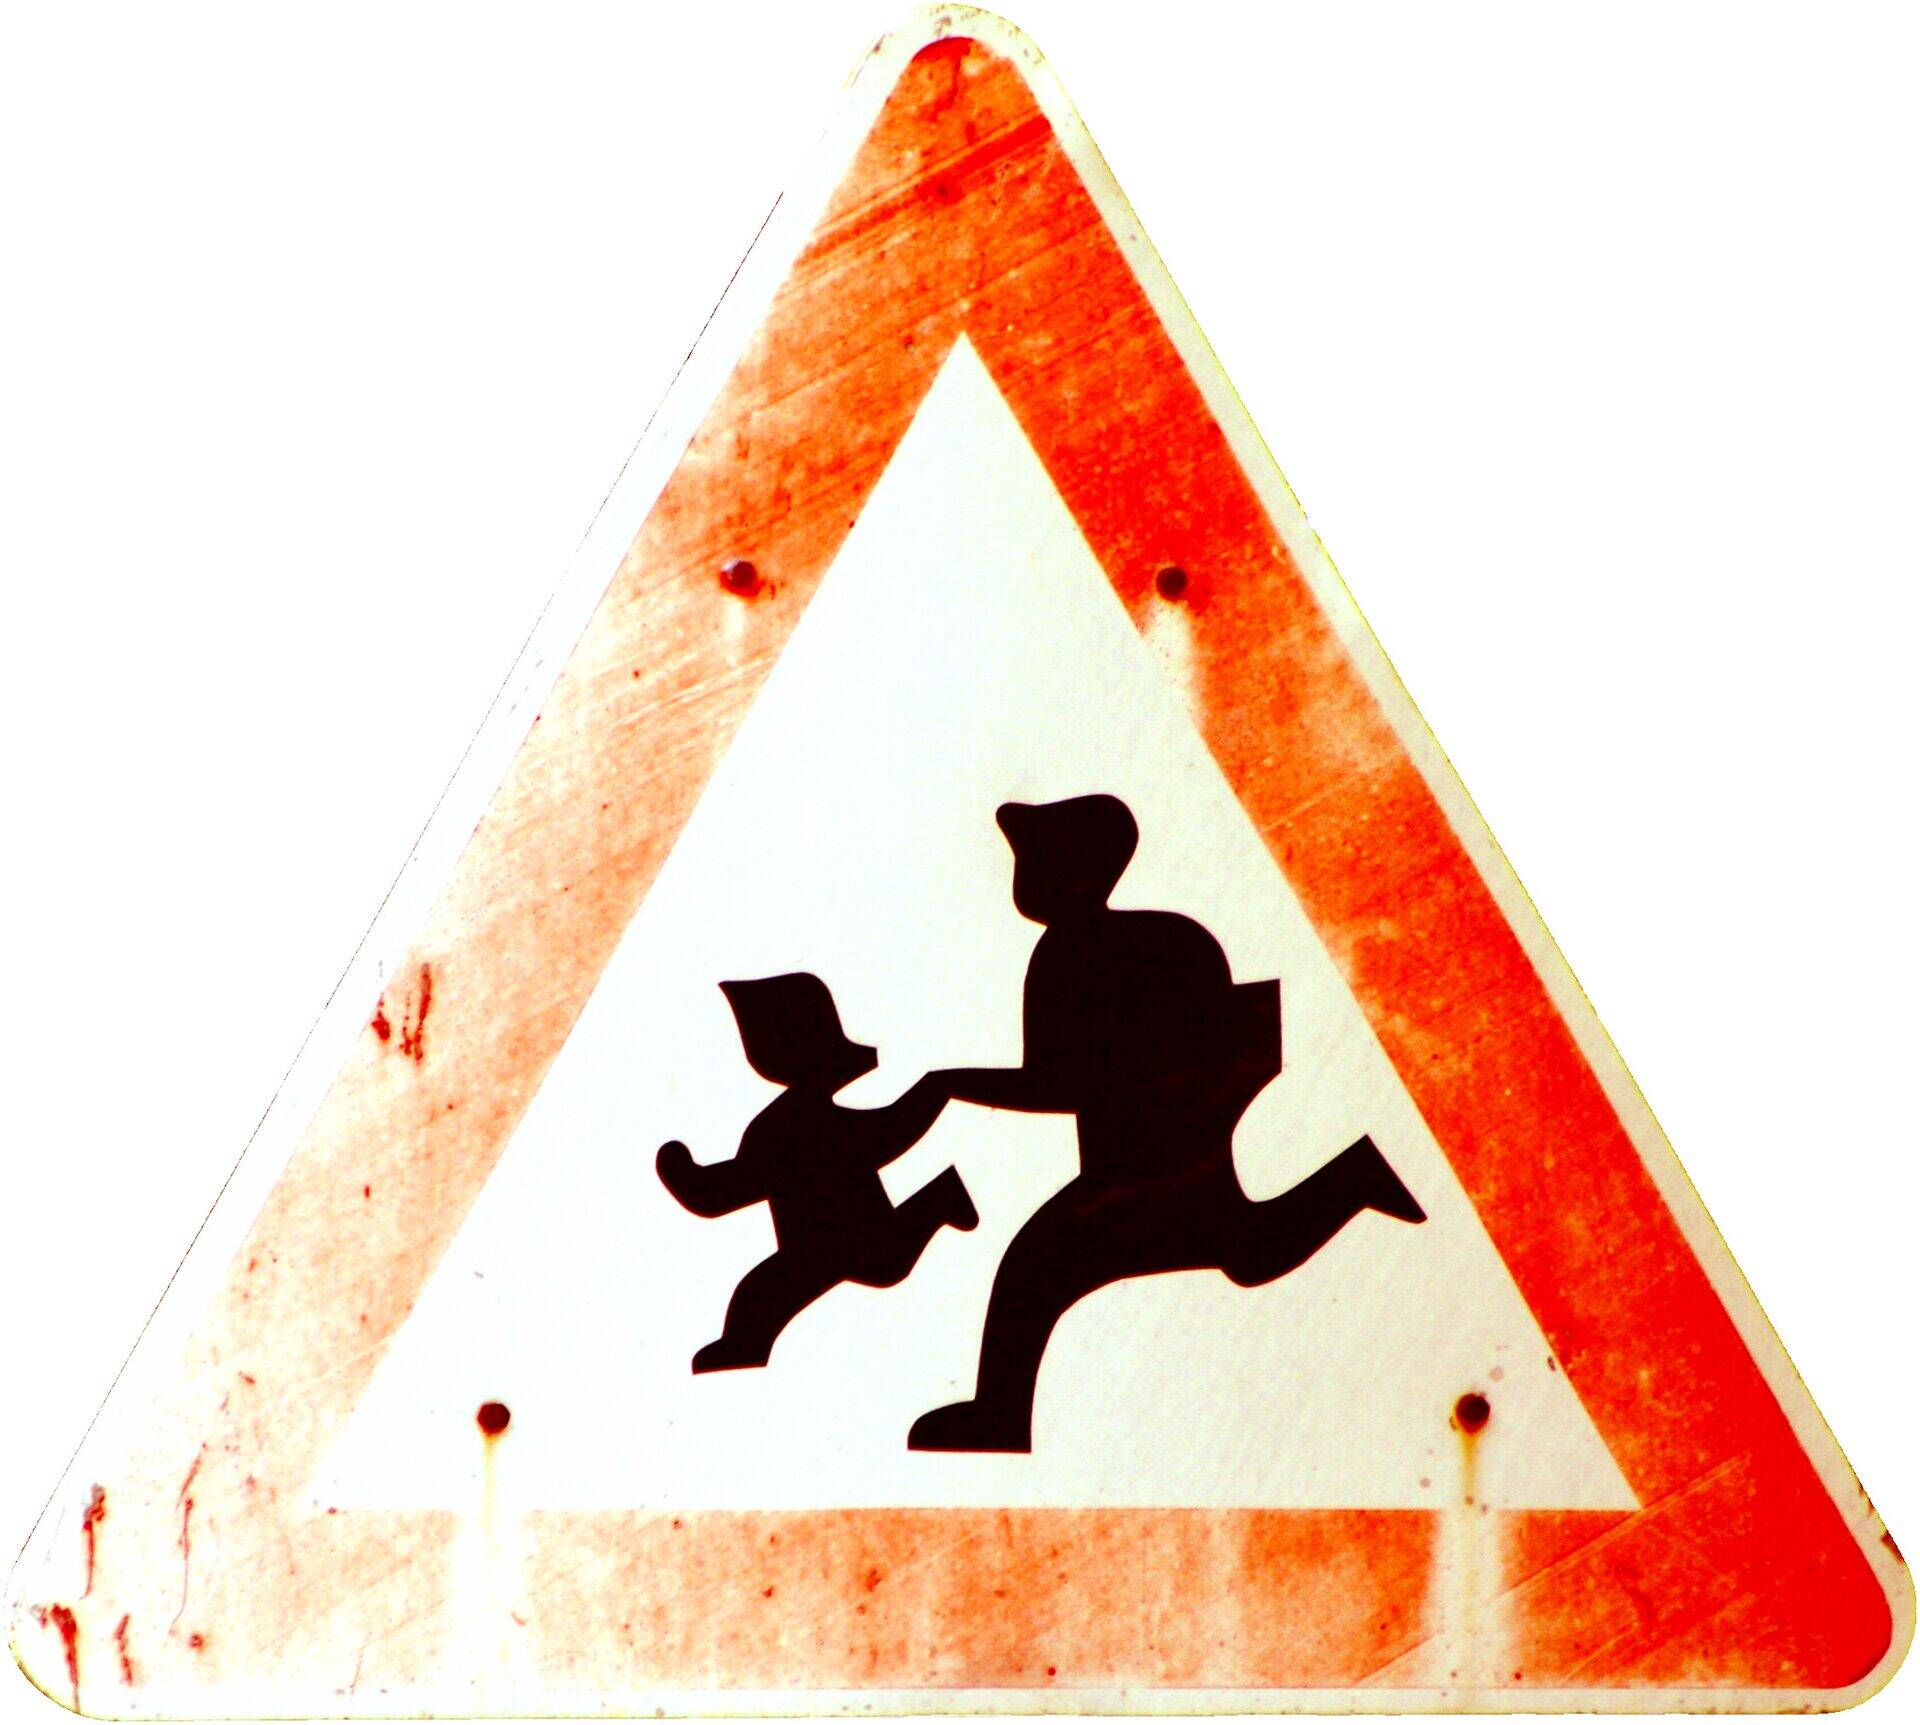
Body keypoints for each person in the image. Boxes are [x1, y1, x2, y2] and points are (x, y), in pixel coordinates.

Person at [909, 795, 1425, 1452]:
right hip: (1189, 1155)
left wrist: (952, 1083)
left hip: (1131, 1178)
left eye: (1031, 862)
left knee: (1031, 1272)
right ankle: (1356, 1178)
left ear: (1075, 871)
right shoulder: (1171, 936)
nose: (1021, 878)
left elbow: (1061, 1084)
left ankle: (998, 1416)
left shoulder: (1068, 954)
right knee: (1244, 1248)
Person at [657, 973, 977, 1373]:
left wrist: (931, 1092)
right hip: (810, 1248)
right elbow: (736, 1185)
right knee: (763, 1292)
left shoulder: (795, 1124)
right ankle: (744, 1344)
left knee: (882, 1262)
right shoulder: (777, 1126)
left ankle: (942, 1198)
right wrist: (693, 1182)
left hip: (858, 1236)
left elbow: (888, 1132)